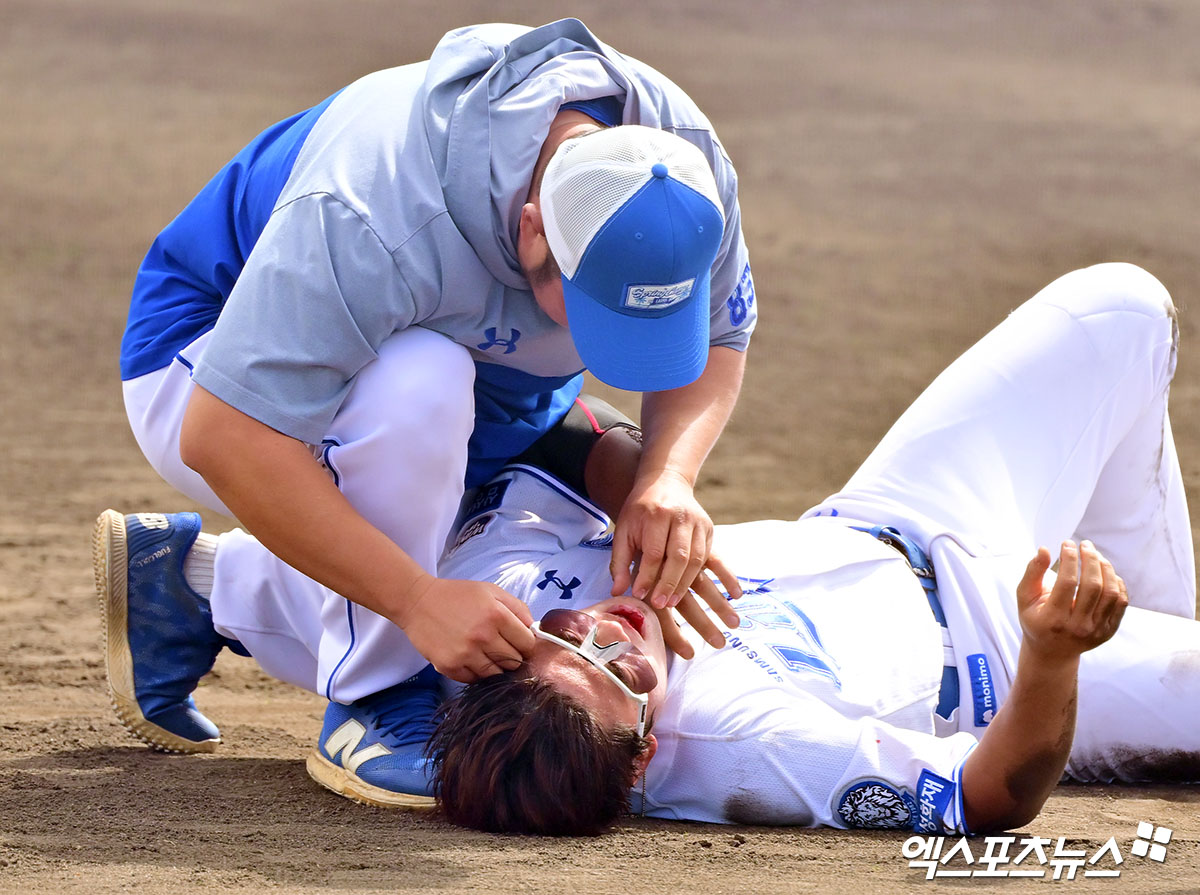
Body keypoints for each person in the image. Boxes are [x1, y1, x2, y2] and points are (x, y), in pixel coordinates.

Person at [94, 18, 756, 805]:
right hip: (210, 369)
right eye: (588, 310)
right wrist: (413, 602)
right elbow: (225, 437)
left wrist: (667, 479)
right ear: (534, 226)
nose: (603, 345)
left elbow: (719, 336)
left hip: (481, 380)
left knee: (628, 477)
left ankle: (194, 584)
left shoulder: (678, 175)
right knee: (421, 387)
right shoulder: (373, 207)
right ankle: (373, 688)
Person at [428, 262, 1200, 835]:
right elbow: (984, 795)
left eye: (568, 633)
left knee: (1122, 312)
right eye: (623, 671)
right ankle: (1130, 652)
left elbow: (549, 430)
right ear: (642, 756)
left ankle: (1150, 626)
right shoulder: (743, 745)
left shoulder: (498, 596)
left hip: (895, 510)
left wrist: (648, 483)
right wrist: (1054, 653)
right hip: (998, 658)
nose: (608, 628)